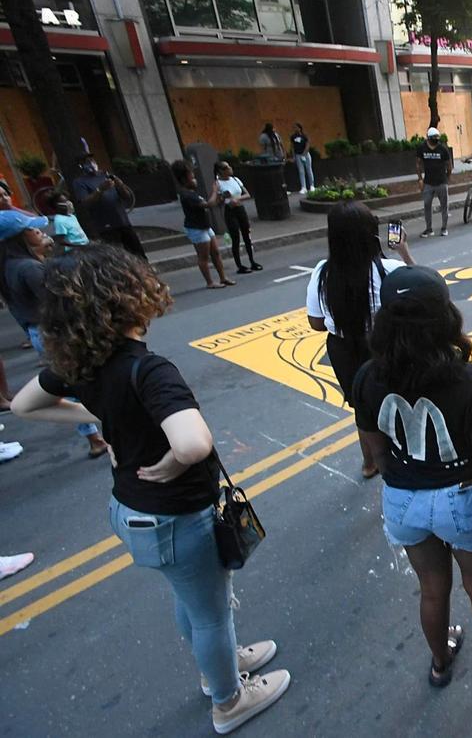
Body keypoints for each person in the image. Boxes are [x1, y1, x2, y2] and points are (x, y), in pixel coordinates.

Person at [10, 245, 291, 734]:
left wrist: (93, 414)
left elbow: (24, 405)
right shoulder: (149, 368)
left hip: (131, 512)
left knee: (194, 602)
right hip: (177, 518)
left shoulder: (82, 362)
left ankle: (219, 665)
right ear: (128, 297)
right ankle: (228, 699)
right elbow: (193, 442)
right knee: (210, 613)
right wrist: (171, 460)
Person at [353, 264, 472, 690]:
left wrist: (406, 475)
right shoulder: (468, 380)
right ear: (444, 320)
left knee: (432, 590)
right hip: (463, 497)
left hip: (403, 499)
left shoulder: (367, 376)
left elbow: (374, 447)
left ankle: (440, 663)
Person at [306, 202, 412, 478]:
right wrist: (403, 251)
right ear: (372, 233)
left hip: (343, 349)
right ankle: (406, 456)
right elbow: (426, 293)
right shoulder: (389, 268)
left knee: (361, 405)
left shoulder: (322, 272)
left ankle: (370, 462)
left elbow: (316, 323)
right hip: (384, 346)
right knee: (397, 401)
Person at [0, 198, 108, 458]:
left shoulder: (10, 267)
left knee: (68, 383)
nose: (40, 232)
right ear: (18, 239)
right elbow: (59, 303)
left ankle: (95, 434)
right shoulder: (30, 269)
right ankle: (96, 435)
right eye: (32, 230)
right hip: (56, 331)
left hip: (38, 332)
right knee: (77, 383)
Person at [171, 160, 233, 290]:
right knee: (203, 256)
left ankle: (223, 277)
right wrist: (215, 191)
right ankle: (210, 282)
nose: (195, 180)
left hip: (205, 226)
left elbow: (211, 204)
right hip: (196, 228)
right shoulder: (187, 195)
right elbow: (208, 204)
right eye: (192, 177)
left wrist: (220, 197)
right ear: (184, 178)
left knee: (215, 252)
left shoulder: (192, 193)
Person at [71, 154, 147, 260]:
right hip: (106, 226)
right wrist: (100, 190)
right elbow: (85, 202)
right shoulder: (79, 182)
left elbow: (127, 196)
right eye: (86, 161)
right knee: (116, 256)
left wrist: (120, 185)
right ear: (80, 165)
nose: (90, 163)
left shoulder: (106, 175)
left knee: (137, 252)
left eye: (91, 160)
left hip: (122, 221)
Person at [214, 161, 261, 275]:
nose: (230, 169)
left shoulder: (235, 179)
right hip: (230, 211)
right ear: (221, 171)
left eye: (229, 166)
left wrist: (237, 199)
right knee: (235, 237)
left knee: (246, 235)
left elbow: (247, 194)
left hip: (240, 208)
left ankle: (252, 261)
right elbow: (217, 201)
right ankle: (239, 265)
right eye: (226, 167)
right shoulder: (218, 183)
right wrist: (223, 198)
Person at [416, 127, 453, 238]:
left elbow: (449, 165)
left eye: (437, 138)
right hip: (428, 182)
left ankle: (444, 228)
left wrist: (447, 178)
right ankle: (429, 229)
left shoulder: (443, 149)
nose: (436, 140)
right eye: (433, 138)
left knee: (444, 206)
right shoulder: (422, 148)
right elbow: (418, 163)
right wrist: (420, 179)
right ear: (428, 138)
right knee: (427, 205)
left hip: (441, 181)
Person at [290, 123, 315, 194]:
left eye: (296, 127)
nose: (295, 129)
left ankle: (312, 185)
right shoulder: (293, 137)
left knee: (309, 169)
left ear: (300, 128)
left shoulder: (304, 136)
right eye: (294, 128)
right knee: (301, 171)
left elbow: (307, 145)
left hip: (305, 155)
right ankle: (303, 187)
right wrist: (294, 156)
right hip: (298, 155)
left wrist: (304, 153)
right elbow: (292, 147)